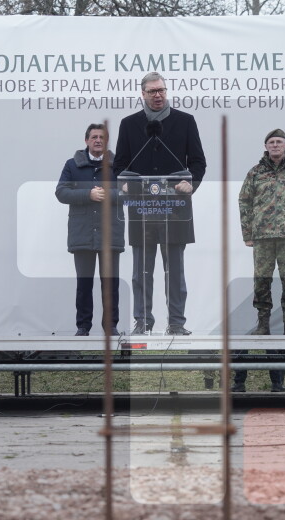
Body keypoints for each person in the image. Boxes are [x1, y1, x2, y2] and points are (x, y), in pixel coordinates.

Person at [113, 72, 206, 336]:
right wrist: (125, 184)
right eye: (152, 91)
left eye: (161, 90)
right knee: (141, 272)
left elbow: (198, 162)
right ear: (142, 94)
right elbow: (119, 165)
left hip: (175, 209)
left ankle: (176, 323)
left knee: (174, 271)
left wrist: (191, 183)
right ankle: (143, 321)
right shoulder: (129, 124)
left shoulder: (185, 121)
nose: (158, 95)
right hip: (141, 209)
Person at [238, 128, 285, 336]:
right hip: (262, 236)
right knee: (261, 280)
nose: (275, 145)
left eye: (279, 142)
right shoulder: (255, 172)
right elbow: (244, 201)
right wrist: (247, 234)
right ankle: (263, 323)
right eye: (271, 142)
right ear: (266, 146)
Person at [55, 123, 124, 336]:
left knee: (110, 284)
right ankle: (83, 326)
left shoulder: (119, 165)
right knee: (84, 284)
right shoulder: (72, 165)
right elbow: (61, 192)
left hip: (110, 234)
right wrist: (88, 194)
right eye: (94, 137)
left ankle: (110, 326)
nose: (98, 141)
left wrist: (106, 194)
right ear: (86, 140)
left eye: (102, 137)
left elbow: (130, 193)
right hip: (82, 234)